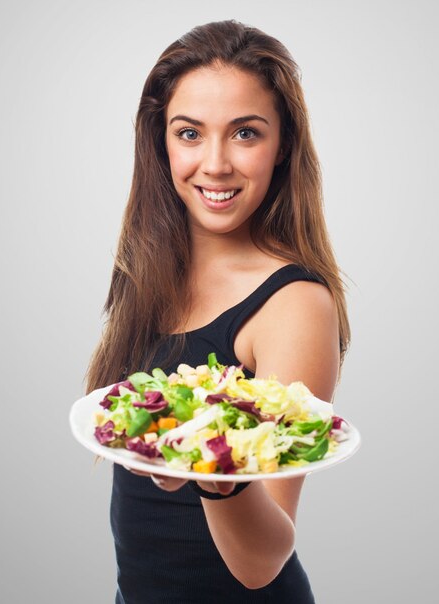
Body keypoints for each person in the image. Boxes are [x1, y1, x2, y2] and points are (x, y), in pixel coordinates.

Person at [84, 19, 350, 604]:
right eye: (189, 133)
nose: (216, 163)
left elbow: (262, 561)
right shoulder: (149, 274)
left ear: (283, 148)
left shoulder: (294, 303)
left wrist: (213, 474)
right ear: (161, 142)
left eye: (246, 134)